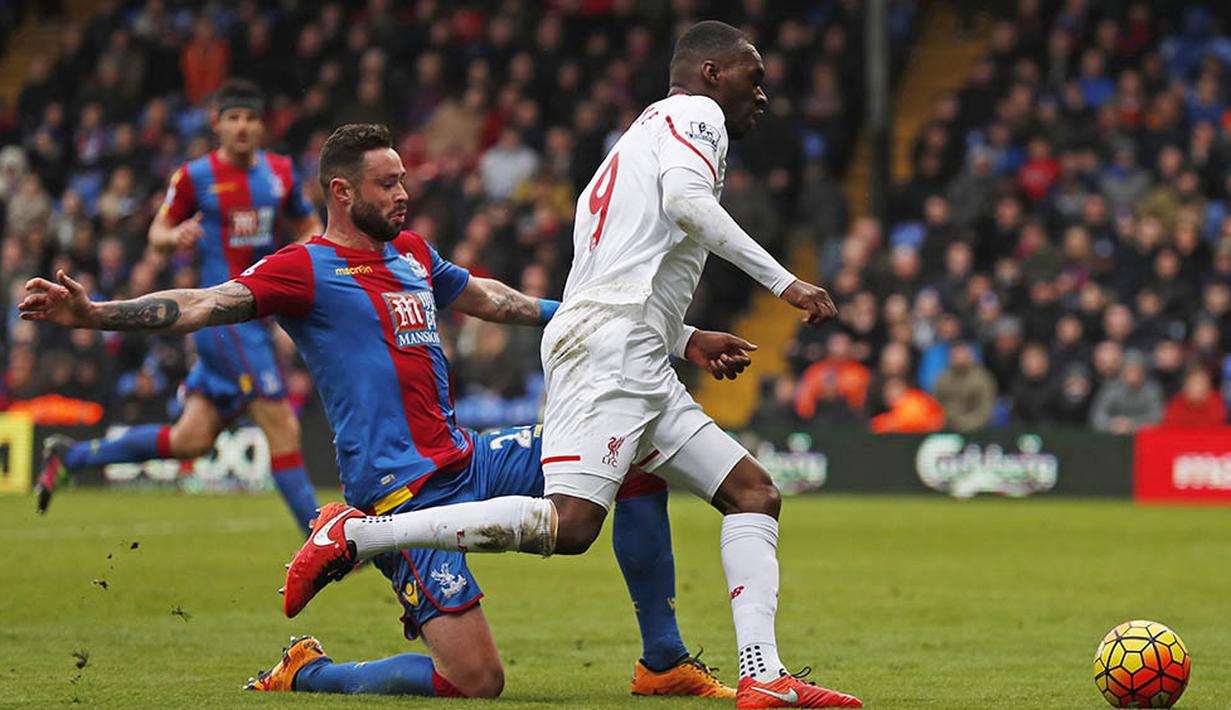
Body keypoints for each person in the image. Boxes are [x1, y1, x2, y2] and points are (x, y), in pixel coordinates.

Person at [20, 123, 753, 699]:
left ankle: (662, 662)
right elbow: (203, 303)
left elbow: (494, 299)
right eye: (388, 182)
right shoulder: (302, 268)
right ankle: (308, 671)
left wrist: (664, 333)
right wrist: (98, 314)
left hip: (467, 459)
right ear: (342, 192)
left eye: (403, 178)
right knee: (477, 681)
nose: (404, 192)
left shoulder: (410, 253)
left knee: (630, 452)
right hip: (400, 493)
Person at [280, 22, 862, 709]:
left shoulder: (634, 144)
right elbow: (686, 205)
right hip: (613, 351)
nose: (761, 94)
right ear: (711, 74)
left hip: (627, 344)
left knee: (752, 493)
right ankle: (356, 533)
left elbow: (615, 278)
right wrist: (783, 283)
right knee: (572, 525)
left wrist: (680, 338)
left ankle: (759, 675)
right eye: (752, 77)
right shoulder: (698, 118)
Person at [34, 80, 323, 534]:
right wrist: (176, 236)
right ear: (217, 124)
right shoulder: (195, 177)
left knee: (192, 440)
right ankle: (322, 539)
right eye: (233, 118)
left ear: (261, 125)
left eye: (250, 118)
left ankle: (72, 456)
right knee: (282, 423)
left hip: (259, 316)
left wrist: (304, 254)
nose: (242, 127)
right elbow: (157, 234)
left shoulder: (280, 173)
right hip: (223, 319)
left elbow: (310, 224)